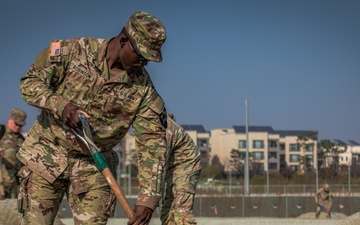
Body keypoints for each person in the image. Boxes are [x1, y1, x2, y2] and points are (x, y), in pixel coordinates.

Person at [17, 11, 168, 225]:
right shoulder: (75, 51)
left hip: (95, 167)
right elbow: (30, 83)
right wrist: (61, 106)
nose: (144, 63)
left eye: (149, 58)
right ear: (124, 41)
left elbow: (152, 142)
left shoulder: (143, 90)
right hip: (47, 154)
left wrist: (149, 198)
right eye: (141, 55)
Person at [160, 113, 201, 224]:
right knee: (167, 210)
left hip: (187, 165)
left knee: (181, 210)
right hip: (171, 168)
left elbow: (159, 162)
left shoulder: (166, 129)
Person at [0, 108, 26, 199]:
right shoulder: (1, 131)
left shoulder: (22, 139)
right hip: (1, 182)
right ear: (9, 119)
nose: (18, 127)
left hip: (13, 184)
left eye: (20, 125)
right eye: (16, 124)